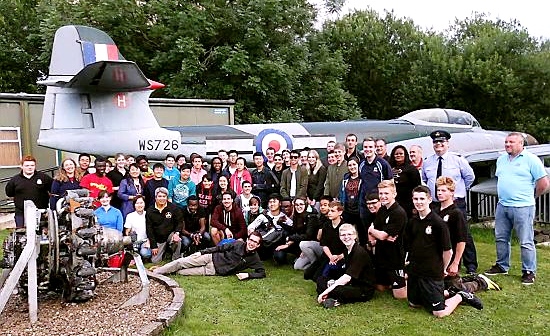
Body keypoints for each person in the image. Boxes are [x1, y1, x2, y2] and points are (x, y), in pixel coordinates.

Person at [405, 186, 483, 317]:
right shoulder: (413, 222)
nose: (419, 202)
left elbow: (448, 252)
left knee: (439, 312)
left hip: (432, 273)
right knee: (414, 304)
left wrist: (443, 269)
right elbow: (409, 246)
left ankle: (460, 296)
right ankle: (448, 292)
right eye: (416, 199)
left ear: (429, 200)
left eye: (422, 199)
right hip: (415, 272)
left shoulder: (438, 223)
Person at [485, 132, 549, 285]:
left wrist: (532, 196)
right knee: (501, 238)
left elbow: (544, 183)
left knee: (525, 240)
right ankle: (502, 265)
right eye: (506, 142)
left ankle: (528, 271)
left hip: (523, 207)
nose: (508, 145)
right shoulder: (501, 159)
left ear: (521, 144)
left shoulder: (531, 160)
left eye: (511, 142)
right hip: (502, 205)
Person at [422, 130, 477, 274]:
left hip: (456, 202)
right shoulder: (428, 161)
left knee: (463, 234)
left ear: (447, 143)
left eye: (441, 142)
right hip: (435, 203)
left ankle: (470, 265)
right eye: (435, 142)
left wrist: (456, 192)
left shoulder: (458, 160)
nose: (438, 144)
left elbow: (469, 178)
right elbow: (426, 180)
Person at [434, 177, 501, 292]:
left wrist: (455, 263)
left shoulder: (456, 213)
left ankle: (480, 282)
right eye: (438, 190)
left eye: (443, 190)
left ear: (451, 192)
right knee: (436, 285)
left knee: (453, 290)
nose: (440, 193)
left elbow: (461, 240)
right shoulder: (435, 211)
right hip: (436, 255)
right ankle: (466, 279)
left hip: (450, 256)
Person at [151, 231, 266, 280]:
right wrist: (201, 252)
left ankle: (164, 270)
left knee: (181, 272)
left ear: (258, 245)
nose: (252, 243)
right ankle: (155, 272)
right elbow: (219, 248)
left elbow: (262, 273)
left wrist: (248, 275)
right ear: (247, 239)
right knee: (181, 262)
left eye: (255, 242)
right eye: (251, 240)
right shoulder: (238, 244)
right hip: (210, 257)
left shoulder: (254, 258)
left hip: (212, 270)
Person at [316, 224, 376, 308]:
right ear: (340, 237)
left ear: (355, 235)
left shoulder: (359, 252)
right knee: (321, 279)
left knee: (337, 289)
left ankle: (329, 297)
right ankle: (330, 298)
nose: (346, 237)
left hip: (363, 289)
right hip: (351, 283)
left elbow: (347, 278)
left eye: (349, 234)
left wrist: (325, 291)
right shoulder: (347, 250)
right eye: (343, 235)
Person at [367, 180, 407, 299]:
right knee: (380, 288)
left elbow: (380, 235)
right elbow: (375, 230)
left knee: (400, 296)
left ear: (394, 194)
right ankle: (396, 280)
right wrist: (377, 234)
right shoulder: (383, 210)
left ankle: (410, 278)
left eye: (386, 193)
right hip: (381, 254)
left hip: (395, 257)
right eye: (381, 193)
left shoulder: (399, 212)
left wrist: (378, 233)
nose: (383, 196)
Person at [358, 137, 392, 245]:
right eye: (365, 147)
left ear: (375, 148)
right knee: (367, 232)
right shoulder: (362, 164)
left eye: (370, 147)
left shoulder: (382, 164)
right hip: (365, 204)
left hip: (379, 205)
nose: (367, 149)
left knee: (379, 232)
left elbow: (390, 183)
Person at [6, 155, 53, 227]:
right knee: (21, 233)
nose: (30, 167)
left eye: (32, 165)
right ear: (21, 166)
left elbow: (53, 190)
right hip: (21, 213)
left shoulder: (44, 177)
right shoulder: (14, 180)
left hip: (41, 211)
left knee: (42, 234)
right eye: (27, 165)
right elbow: (9, 193)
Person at [248, 193, 293, 262]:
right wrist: (252, 234)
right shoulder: (263, 216)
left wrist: (287, 245)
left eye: (274, 202)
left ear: (280, 203)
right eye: (270, 202)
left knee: (280, 258)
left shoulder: (285, 218)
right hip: (264, 242)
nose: (272, 204)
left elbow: (293, 231)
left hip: (277, 243)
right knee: (261, 256)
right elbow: (251, 226)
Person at [274, 197, 318, 265]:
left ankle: (315, 263)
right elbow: (293, 230)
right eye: (296, 205)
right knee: (297, 266)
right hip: (299, 243)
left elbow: (308, 236)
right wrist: (280, 223)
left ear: (305, 205)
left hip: (309, 245)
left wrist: (290, 238)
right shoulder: (297, 216)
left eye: (301, 204)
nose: (299, 207)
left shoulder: (311, 217)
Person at [146, 187, 183, 263]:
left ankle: (176, 260)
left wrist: (177, 233)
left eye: (164, 196)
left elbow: (179, 222)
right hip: (158, 239)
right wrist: (153, 246)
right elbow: (149, 229)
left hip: (170, 235)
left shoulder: (173, 208)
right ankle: (165, 252)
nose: (162, 198)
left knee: (177, 240)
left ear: (167, 197)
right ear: (155, 197)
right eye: (159, 196)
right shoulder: (150, 210)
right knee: (155, 261)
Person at [295, 195, 330, 270]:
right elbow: (316, 238)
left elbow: (316, 236)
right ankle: (314, 264)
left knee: (303, 244)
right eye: (321, 205)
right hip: (317, 246)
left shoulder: (332, 219)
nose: (322, 207)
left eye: (325, 205)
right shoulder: (321, 217)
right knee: (297, 266)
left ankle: (315, 265)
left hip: (328, 249)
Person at [388, 145, 421, 217]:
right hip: (393, 203)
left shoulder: (412, 169)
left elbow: (417, 188)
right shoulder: (389, 168)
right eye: (396, 154)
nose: (398, 155)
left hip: (408, 204)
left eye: (401, 154)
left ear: (405, 155)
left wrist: (414, 206)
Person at [339, 157, 362, 228]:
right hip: (347, 210)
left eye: (354, 164)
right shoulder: (346, 178)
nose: (352, 167)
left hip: (359, 211)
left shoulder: (363, 178)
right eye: (350, 165)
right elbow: (341, 192)